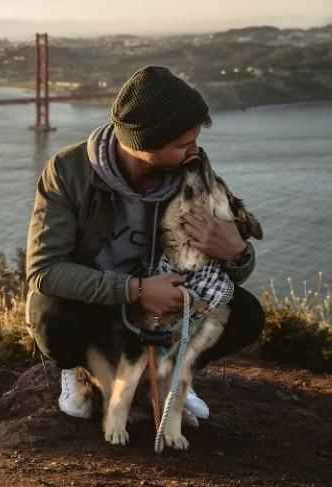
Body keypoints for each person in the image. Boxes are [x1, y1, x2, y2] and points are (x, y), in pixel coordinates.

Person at [24, 65, 265, 420]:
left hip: (162, 310)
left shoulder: (194, 174)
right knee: (48, 313)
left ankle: (172, 374)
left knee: (246, 313)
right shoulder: (68, 171)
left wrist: (236, 252)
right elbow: (44, 272)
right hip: (97, 305)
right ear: (143, 145)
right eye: (184, 144)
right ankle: (78, 369)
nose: (195, 152)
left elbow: (220, 278)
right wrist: (135, 289)